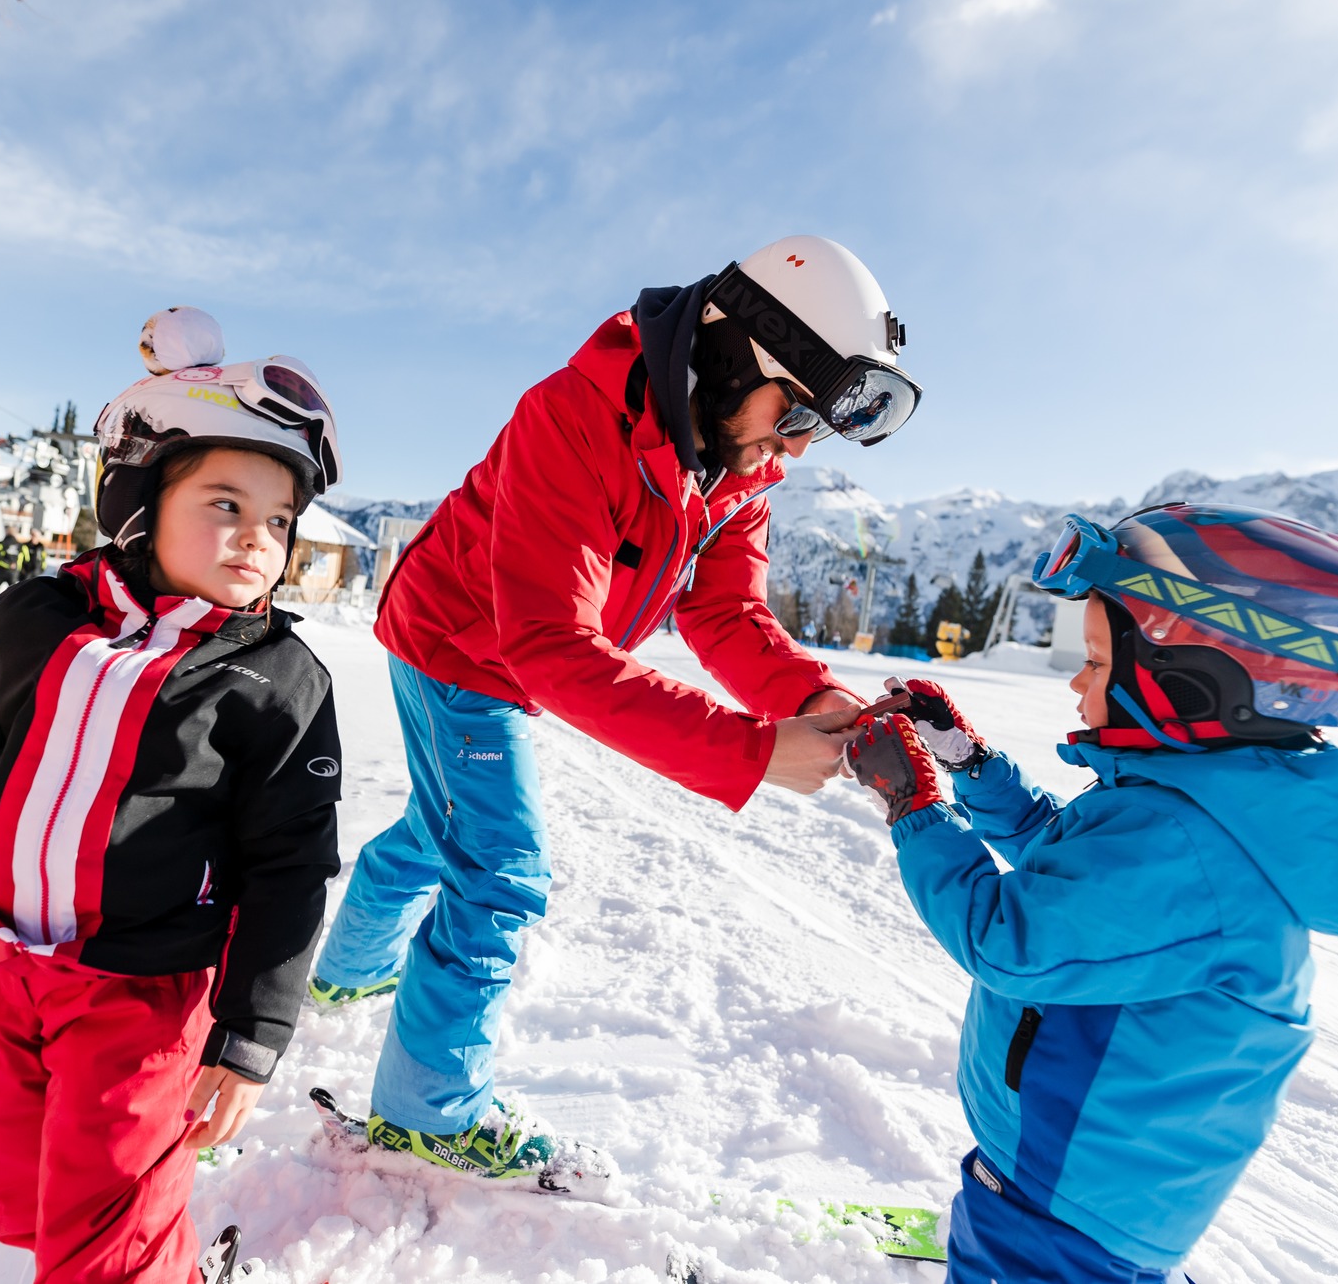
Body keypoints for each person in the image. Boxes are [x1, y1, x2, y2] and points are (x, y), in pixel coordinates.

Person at [309, 235, 923, 1181]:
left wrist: (813, 698)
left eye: (818, 428)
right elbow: (550, 644)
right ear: (730, 356)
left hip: (511, 650)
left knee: (441, 827)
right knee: (499, 867)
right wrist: (751, 750)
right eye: (796, 411)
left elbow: (725, 609)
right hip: (459, 643)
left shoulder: (739, 464)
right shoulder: (574, 416)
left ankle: (346, 975)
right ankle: (428, 1114)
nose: (798, 447)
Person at [0, 305, 345, 1284]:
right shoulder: (36, 617)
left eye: (277, 520)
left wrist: (250, 1036)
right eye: (224, 503)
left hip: (145, 994)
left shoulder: (278, 679)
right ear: (138, 499)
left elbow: (291, 867)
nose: (256, 539)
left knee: (104, 1249)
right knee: (15, 1203)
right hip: (1, 967)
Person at [846, 503, 1338, 1282]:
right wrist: (969, 762)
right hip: (1093, 1185)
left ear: (1186, 681)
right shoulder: (1203, 804)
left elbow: (1007, 938)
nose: (1076, 679)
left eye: (1096, 662)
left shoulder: (1192, 849)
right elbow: (1071, 868)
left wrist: (914, 806)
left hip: (1064, 1206)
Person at [0, 527, 21, 602]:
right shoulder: (18, 544)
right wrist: (15, 567)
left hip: (2, 571)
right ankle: (14, 604)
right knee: (13, 590)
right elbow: (20, 558)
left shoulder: (2, 543)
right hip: (10, 571)